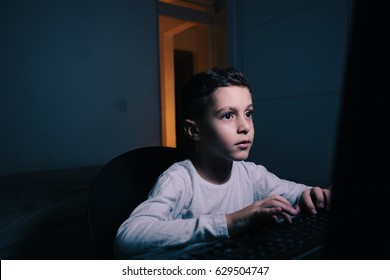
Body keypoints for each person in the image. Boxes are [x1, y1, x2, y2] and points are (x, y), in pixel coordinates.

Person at [114, 66, 331, 259]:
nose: (245, 126)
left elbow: (300, 193)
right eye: (228, 115)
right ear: (194, 130)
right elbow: (128, 238)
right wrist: (232, 221)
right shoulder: (179, 179)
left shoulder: (252, 175)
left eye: (248, 113)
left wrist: (315, 195)